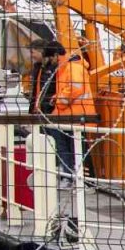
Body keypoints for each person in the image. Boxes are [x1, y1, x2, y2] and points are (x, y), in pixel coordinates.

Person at [51, 45, 96, 182]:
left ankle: (84, 181)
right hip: (70, 115)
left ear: (55, 55)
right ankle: (73, 178)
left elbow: (75, 88)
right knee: (72, 148)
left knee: (76, 149)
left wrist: (59, 101)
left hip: (76, 115)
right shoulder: (67, 68)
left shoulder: (72, 68)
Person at [28, 41, 62, 116]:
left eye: (32, 52)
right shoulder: (37, 67)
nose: (31, 56)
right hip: (37, 111)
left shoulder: (55, 67)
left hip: (49, 111)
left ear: (41, 52)